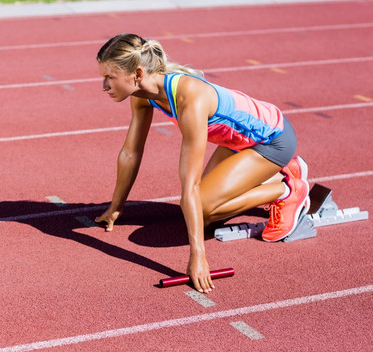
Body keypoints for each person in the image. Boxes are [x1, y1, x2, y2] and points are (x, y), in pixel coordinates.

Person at [94, 33, 310, 294]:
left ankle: (287, 189)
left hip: (272, 141)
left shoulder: (191, 98)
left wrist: (198, 257)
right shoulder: (142, 94)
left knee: (203, 210)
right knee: (198, 214)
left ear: (137, 74)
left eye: (109, 77)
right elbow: (131, 153)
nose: (104, 86)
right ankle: (277, 172)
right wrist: (116, 207)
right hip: (236, 143)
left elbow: (190, 185)